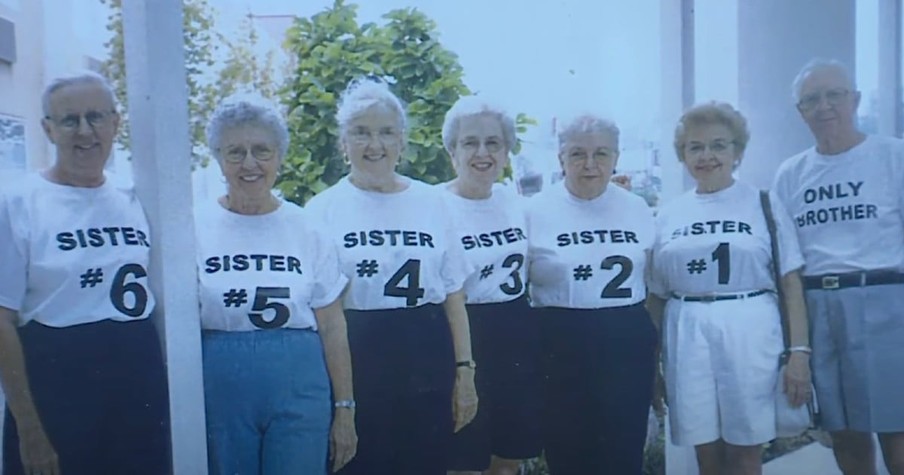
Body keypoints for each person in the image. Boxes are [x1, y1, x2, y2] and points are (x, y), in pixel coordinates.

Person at [304, 78, 478, 475]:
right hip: (358, 355)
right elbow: (327, 314)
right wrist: (342, 403)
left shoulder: (433, 202)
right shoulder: (322, 210)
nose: (374, 145)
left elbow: (454, 298)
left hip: (427, 351)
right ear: (343, 143)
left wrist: (464, 373)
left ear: (402, 141)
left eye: (386, 133)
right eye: (361, 133)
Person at [0, 71, 169, 474]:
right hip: (56, 376)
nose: (85, 132)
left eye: (95, 117)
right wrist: (29, 427)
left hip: (135, 372)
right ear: (48, 129)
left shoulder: (135, 198)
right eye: (69, 120)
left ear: (116, 123)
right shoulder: (20, 202)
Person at [196, 93, 357, 475]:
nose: (249, 164)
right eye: (235, 152)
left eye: (262, 151)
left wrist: (345, 410)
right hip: (222, 385)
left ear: (279, 157)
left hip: (300, 383)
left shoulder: (307, 227)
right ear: (218, 158)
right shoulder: (195, 227)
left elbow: (332, 327)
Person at [647, 101, 811, 475]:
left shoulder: (763, 203)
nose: (707, 156)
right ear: (682, 154)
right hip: (687, 330)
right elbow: (657, 294)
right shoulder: (670, 213)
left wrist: (799, 353)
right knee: (705, 452)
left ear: (737, 151)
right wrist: (650, 362)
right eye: (695, 147)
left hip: (749, 326)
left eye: (719, 145)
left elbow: (790, 283)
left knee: (745, 451)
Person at [773, 58, 904, 475]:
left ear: (856, 100)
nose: (824, 106)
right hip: (818, 307)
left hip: (885, 301)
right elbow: (786, 259)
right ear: (800, 112)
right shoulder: (791, 174)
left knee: (897, 433)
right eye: (811, 99)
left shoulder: (892, 155)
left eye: (835, 95)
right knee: (843, 432)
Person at [527, 113, 657, 474]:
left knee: (623, 454)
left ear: (616, 158)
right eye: (577, 154)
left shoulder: (637, 208)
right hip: (559, 341)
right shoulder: (535, 210)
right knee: (568, 454)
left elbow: (651, 281)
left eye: (601, 154)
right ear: (560, 159)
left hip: (625, 342)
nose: (589, 164)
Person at [440, 97, 542, 475]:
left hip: (514, 332)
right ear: (452, 150)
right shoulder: (434, 205)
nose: (482, 153)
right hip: (461, 334)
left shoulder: (515, 203)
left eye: (493, 143)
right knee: (463, 458)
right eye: (470, 143)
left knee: (507, 457)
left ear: (506, 150)